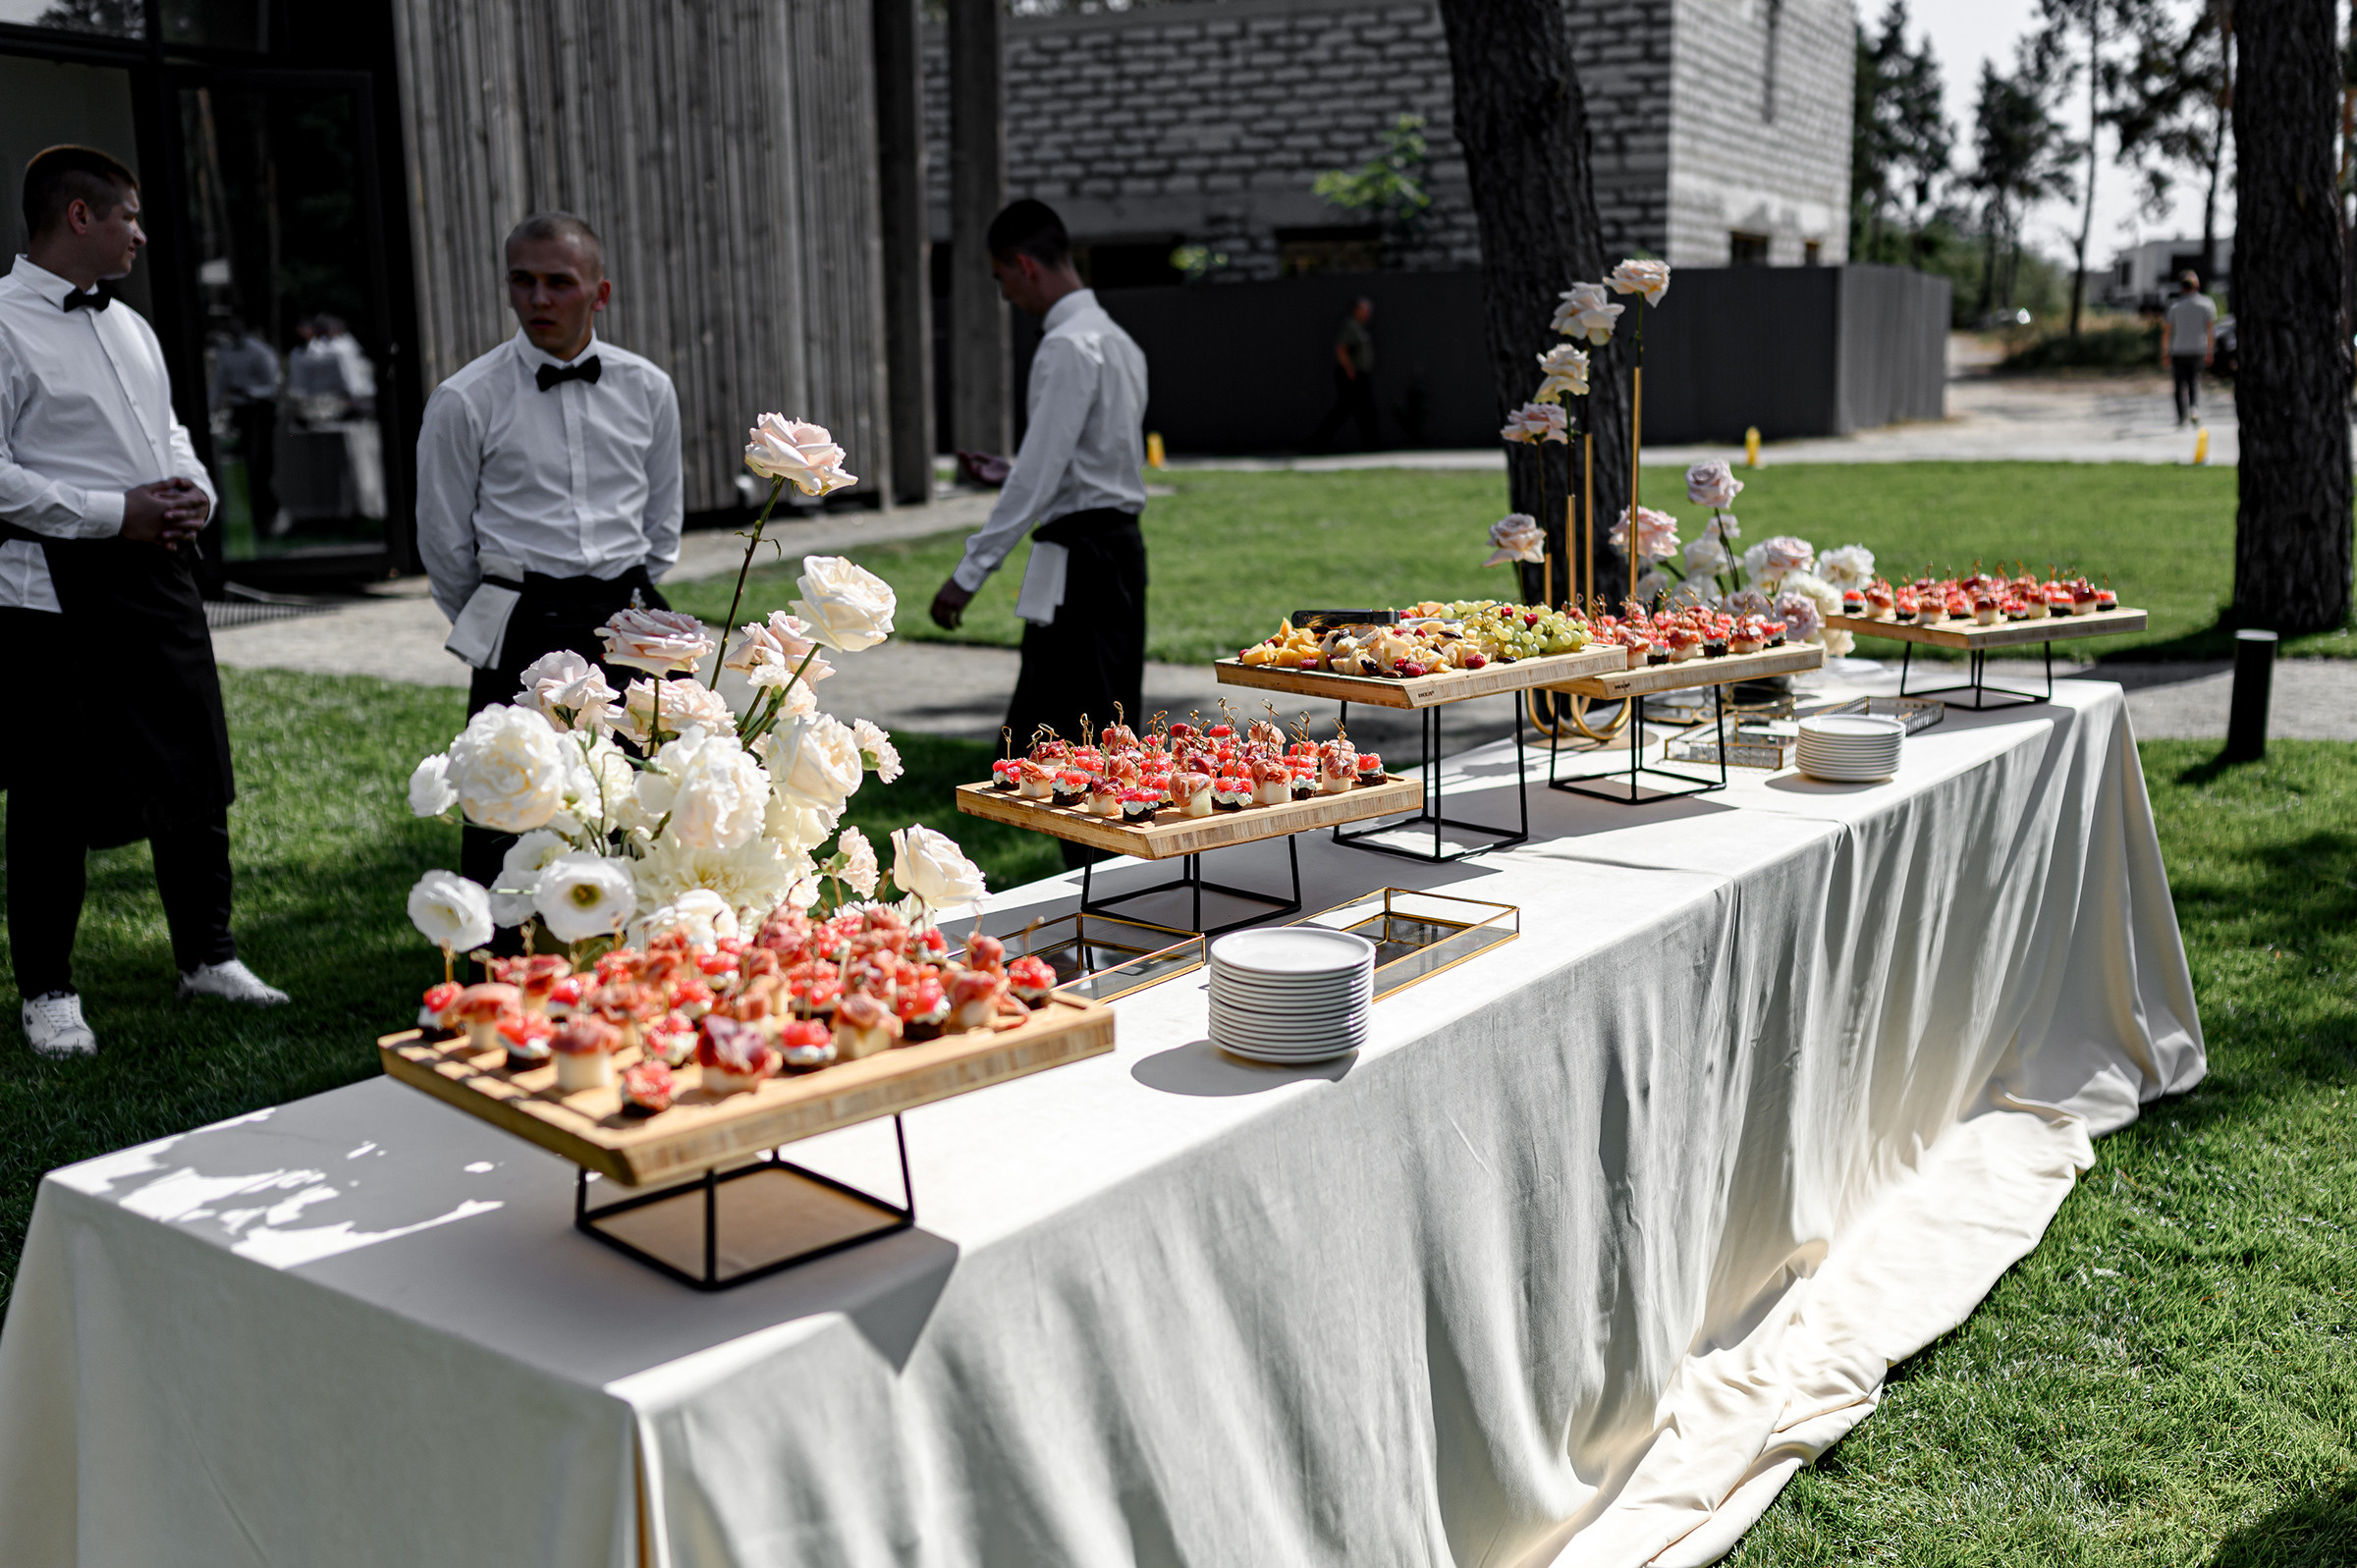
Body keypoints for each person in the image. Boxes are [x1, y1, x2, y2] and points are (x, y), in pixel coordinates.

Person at [0, 145, 289, 1055]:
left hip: (156, 573)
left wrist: (190, 485)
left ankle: (207, 954)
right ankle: (48, 990)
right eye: (127, 214)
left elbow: (166, 428)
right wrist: (106, 511)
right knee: (51, 793)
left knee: (193, 770)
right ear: (77, 216)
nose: (140, 231)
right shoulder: (2, 323)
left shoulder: (132, 323)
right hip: (50, 586)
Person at [414, 210, 682, 917]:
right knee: (512, 791)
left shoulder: (648, 389)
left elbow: (662, 520)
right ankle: (508, 958)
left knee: (639, 789)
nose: (538, 299)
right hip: (522, 614)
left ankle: (634, 946)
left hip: (628, 614)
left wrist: (633, 594)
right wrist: (500, 612)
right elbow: (443, 541)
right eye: (522, 282)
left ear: (600, 292)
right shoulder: (465, 398)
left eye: (559, 282)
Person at [928, 199, 1148, 868]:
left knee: (1071, 749)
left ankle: (1098, 896)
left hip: (1082, 563)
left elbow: (1043, 477)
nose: (1006, 294)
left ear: (1024, 265)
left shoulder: (1065, 345)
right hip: (1111, 554)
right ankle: (1104, 891)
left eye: (1002, 279)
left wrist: (969, 573)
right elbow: (1077, 465)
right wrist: (1015, 470)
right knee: (1096, 735)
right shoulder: (1120, 342)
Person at [209, 316, 280, 533]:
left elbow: (271, 386)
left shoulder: (260, 352)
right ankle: (248, 514)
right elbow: (219, 383)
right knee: (243, 462)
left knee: (259, 462)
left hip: (259, 410)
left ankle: (267, 514)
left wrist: (249, 392)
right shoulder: (227, 352)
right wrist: (211, 409)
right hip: (239, 411)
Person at [1308, 297, 1379, 451]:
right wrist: (1350, 370)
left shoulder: (1359, 327)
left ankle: (1371, 443)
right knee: (1346, 410)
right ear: (1356, 311)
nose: (1367, 314)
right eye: (1364, 310)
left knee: (1361, 410)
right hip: (1352, 375)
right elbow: (1341, 349)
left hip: (1358, 374)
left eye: (1368, 311)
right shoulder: (1351, 326)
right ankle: (1319, 441)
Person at [2162, 271, 2216, 426]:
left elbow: (2167, 332)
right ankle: (2194, 408)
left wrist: (2165, 352)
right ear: (2197, 286)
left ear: (2182, 288)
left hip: (2178, 349)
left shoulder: (2175, 306)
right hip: (2198, 349)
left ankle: (2181, 416)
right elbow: (2210, 331)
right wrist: (2210, 351)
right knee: (2194, 381)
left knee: (2179, 384)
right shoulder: (2207, 304)